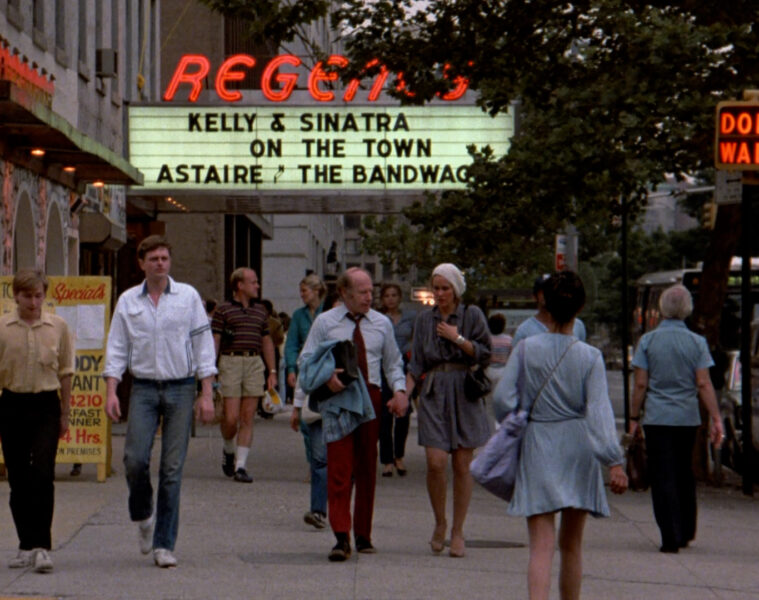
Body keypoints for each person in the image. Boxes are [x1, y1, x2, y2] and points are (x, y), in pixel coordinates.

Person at [493, 271, 627, 600]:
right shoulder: (590, 356)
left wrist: (519, 418)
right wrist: (613, 460)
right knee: (572, 545)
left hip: (538, 442)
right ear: (580, 307)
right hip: (578, 447)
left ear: (545, 305)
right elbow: (599, 412)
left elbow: (502, 399)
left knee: (540, 547)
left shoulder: (526, 349)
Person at [103, 235, 217, 568]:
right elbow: (117, 347)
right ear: (142, 263)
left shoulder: (188, 297)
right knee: (134, 459)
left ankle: (164, 544)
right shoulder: (128, 301)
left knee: (171, 469)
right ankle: (143, 515)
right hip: (144, 388)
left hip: (181, 387)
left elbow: (203, 346)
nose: (160, 264)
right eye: (153, 259)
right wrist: (111, 390)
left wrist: (206, 392)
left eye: (165, 258)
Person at [299, 267, 407, 561]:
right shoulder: (326, 322)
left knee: (366, 467)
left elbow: (393, 363)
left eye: (371, 291)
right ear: (344, 293)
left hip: (371, 397)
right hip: (338, 398)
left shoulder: (381, 323)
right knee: (339, 468)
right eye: (362, 292)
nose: (369, 297)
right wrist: (325, 379)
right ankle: (340, 536)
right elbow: (306, 360)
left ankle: (363, 533)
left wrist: (399, 391)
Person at [405, 263, 492, 558]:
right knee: (436, 462)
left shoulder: (472, 315)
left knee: (462, 465)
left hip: (464, 390)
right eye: (436, 288)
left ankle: (457, 530)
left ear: (455, 290)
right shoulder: (424, 320)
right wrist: (404, 394)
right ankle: (440, 522)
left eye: (445, 288)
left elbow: (485, 353)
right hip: (434, 390)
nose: (440, 293)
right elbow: (416, 362)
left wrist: (458, 338)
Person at [630, 284, 724, 553]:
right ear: (687, 309)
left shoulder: (647, 341)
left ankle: (669, 535)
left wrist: (634, 417)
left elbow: (640, 384)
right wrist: (716, 417)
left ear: (662, 307)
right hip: (687, 417)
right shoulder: (697, 342)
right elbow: (703, 383)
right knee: (684, 471)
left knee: (662, 475)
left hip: (657, 417)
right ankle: (686, 529)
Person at [0, 269, 74, 573]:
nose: (33, 302)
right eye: (27, 296)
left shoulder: (57, 326)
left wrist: (65, 412)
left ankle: (42, 546)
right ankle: (25, 544)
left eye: (38, 296)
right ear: (16, 296)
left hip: (46, 405)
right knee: (18, 478)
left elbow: (66, 371)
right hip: (12, 403)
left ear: (45, 296)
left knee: (43, 474)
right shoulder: (3, 328)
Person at [211, 268, 278, 482]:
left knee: (248, 416)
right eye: (253, 282)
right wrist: (211, 369)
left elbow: (266, 341)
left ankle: (240, 466)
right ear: (239, 285)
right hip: (230, 361)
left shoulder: (260, 311)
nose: (257, 286)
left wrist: (272, 370)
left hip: (254, 362)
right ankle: (228, 448)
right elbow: (215, 340)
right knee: (230, 418)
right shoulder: (223, 310)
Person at [285, 274, 328, 529]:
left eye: (305, 291)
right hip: (306, 369)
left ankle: (320, 467)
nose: (302, 295)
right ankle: (314, 463)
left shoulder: (327, 312)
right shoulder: (299, 316)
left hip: (327, 370)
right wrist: (291, 367)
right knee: (306, 422)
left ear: (316, 290)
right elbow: (292, 345)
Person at [378, 282, 416, 477]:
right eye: (387, 296)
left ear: (400, 297)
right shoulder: (378, 318)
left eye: (394, 295)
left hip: (404, 365)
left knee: (403, 414)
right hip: (383, 367)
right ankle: (386, 460)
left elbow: (416, 339)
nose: (391, 299)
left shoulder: (410, 317)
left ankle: (399, 456)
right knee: (385, 416)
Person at [512, 274, 586, 345]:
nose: (547, 294)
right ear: (535, 296)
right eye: (543, 292)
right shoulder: (524, 330)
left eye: (551, 291)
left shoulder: (577, 325)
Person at [483, 313, 512, 430]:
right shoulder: (509, 340)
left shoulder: (486, 339)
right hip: (503, 372)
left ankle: (489, 426)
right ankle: (500, 425)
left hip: (488, 371)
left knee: (488, 401)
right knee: (501, 399)